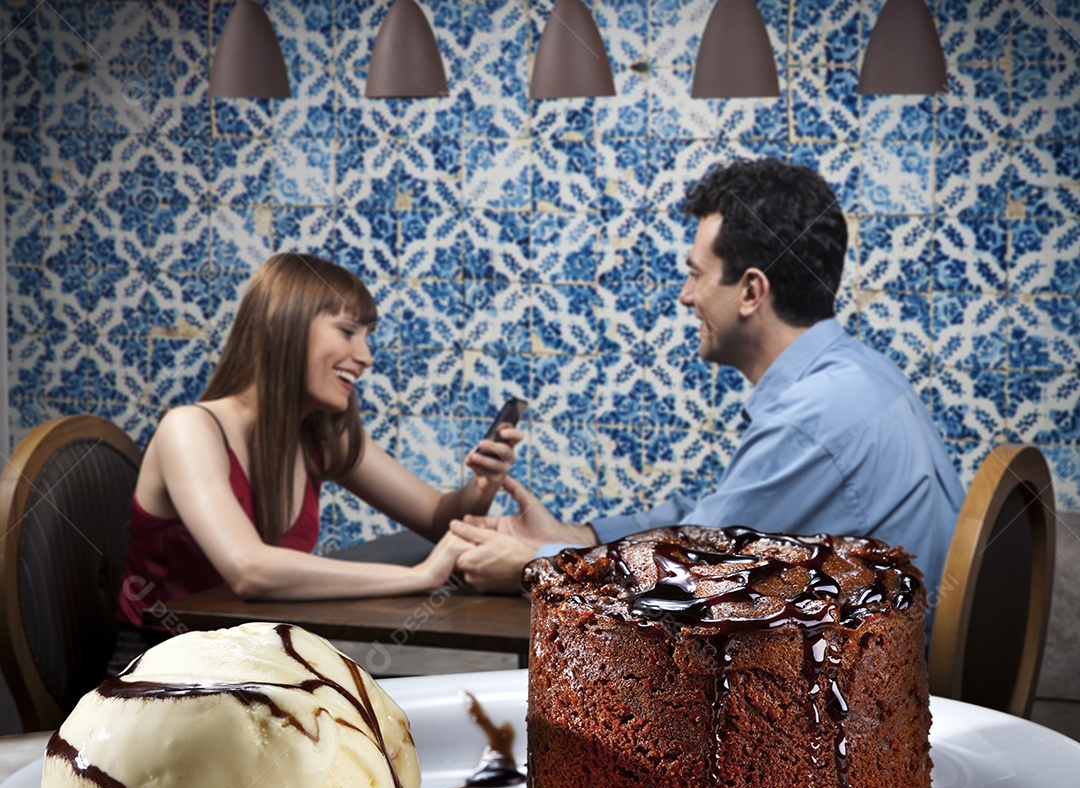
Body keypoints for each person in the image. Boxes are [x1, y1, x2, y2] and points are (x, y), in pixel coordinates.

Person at [452, 158, 965, 609]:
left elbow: (690, 579)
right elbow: (713, 530)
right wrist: (578, 536)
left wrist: (534, 566)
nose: (685, 296)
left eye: (696, 274)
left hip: (867, 696)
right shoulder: (861, 374)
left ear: (750, 291)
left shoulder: (814, 417)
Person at [117, 252, 523, 640]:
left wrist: (482, 485)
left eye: (367, 337)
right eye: (347, 331)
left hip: (253, 661)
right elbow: (249, 569)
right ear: (281, 324)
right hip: (158, 670)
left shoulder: (320, 436)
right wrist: (419, 577)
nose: (364, 357)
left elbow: (438, 518)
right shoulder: (189, 429)